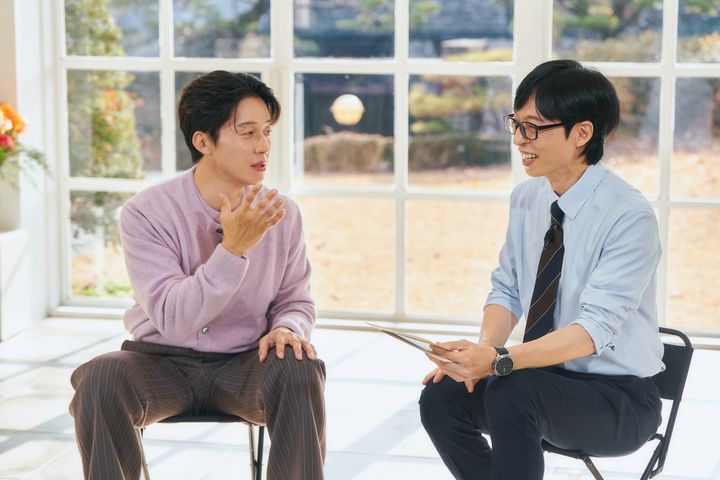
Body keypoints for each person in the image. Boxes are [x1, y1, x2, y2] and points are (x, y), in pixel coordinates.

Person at [69, 71, 326, 480]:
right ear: (203, 142)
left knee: (300, 366)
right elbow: (173, 319)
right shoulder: (146, 213)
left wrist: (288, 328)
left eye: (267, 131)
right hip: (160, 365)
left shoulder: (282, 213)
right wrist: (233, 250)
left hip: (247, 364)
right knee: (100, 378)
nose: (263, 146)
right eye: (247, 132)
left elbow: (295, 300)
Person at [418, 59, 664, 480]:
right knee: (442, 397)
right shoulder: (527, 199)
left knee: (513, 391)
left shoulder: (629, 216)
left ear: (582, 133)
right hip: (538, 381)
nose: (519, 139)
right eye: (516, 124)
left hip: (619, 400)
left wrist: (496, 360)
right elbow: (507, 290)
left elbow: (592, 330)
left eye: (533, 127)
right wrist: (479, 355)